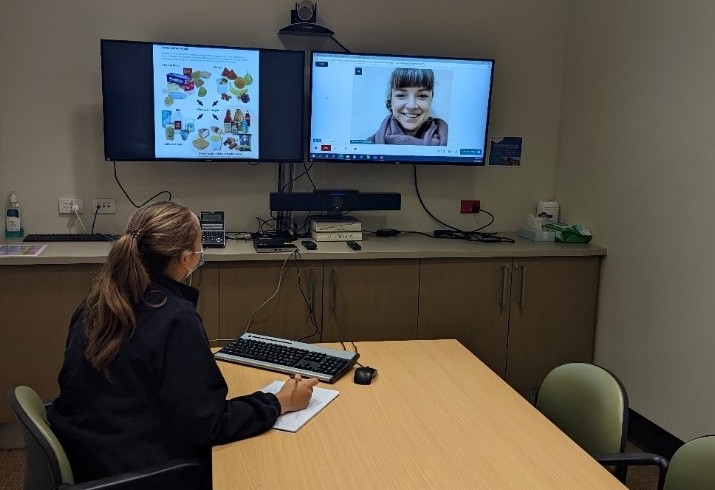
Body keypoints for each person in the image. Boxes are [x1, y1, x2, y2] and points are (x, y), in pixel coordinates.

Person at [47, 201, 318, 488]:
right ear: (186, 258)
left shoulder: (97, 303)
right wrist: (279, 402)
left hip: (89, 455)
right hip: (142, 473)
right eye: (200, 246)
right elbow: (208, 426)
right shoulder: (174, 319)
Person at [367, 67, 448, 146]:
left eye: (422, 96)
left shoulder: (452, 141)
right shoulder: (368, 146)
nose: (411, 106)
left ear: (431, 100)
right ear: (390, 101)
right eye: (401, 95)